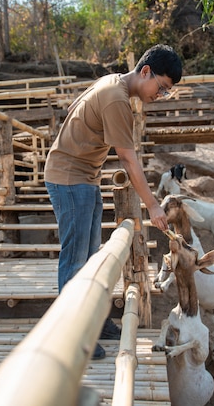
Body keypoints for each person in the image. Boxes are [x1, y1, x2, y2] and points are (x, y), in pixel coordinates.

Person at [44, 44, 183, 360]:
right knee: (76, 260)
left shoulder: (112, 83)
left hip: (84, 177)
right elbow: (128, 160)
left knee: (91, 259)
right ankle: (73, 336)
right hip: (69, 178)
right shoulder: (117, 99)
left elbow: (75, 112)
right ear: (145, 71)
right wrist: (154, 206)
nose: (158, 95)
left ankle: (95, 320)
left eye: (165, 93)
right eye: (160, 88)